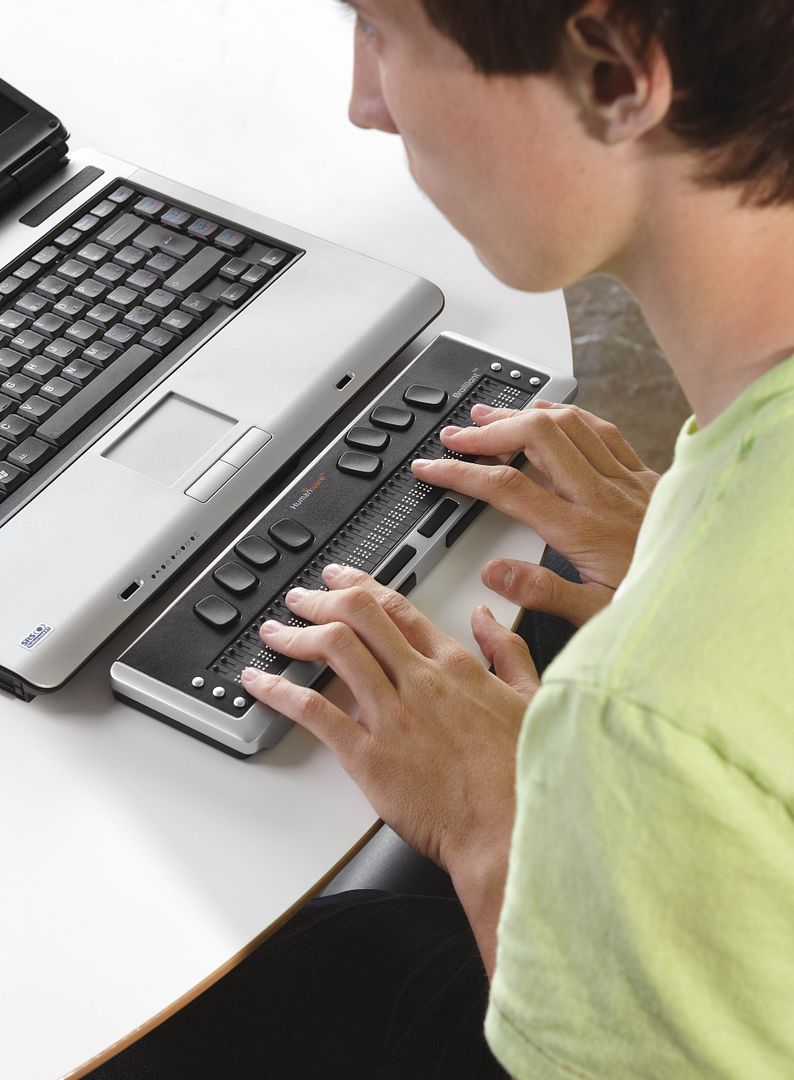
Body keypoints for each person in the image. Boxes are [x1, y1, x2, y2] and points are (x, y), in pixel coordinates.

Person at [93, 1, 794, 1077]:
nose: (363, 105)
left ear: (613, 77)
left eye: (381, 31)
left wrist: (500, 829)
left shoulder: (644, 720)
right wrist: (686, 548)